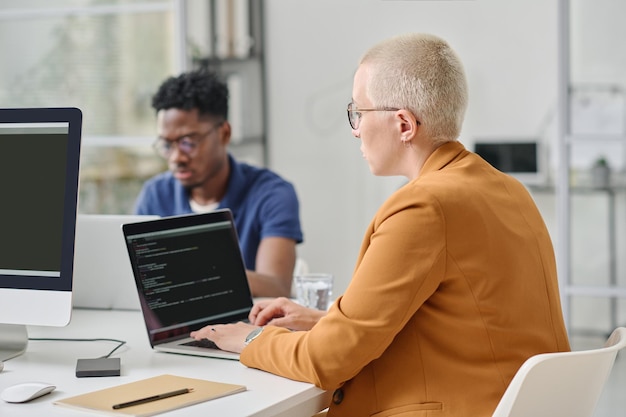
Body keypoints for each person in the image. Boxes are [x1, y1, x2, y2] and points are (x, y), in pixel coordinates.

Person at [190, 33, 570, 416]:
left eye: (359, 112)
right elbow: (456, 321)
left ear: (404, 124)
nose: (355, 129)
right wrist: (323, 321)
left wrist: (251, 337)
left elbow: (327, 361)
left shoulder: (424, 207)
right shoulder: (507, 189)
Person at [134, 70, 303, 297]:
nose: (176, 158)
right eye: (167, 144)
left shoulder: (271, 194)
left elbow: (275, 287)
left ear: (224, 134)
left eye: (187, 142)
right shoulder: (155, 195)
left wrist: (179, 271)